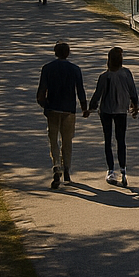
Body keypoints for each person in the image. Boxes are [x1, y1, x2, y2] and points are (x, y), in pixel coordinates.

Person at [36, 41, 87, 189]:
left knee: (53, 140)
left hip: (53, 109)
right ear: (68, 53)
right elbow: (80, 90)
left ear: (55, 52)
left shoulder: (47, 68)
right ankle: (67, 170)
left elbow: (41, 93)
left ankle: (56, 166)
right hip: (69, 110)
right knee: (67, 141)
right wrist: (84, 108)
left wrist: (46, 106)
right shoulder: (75, 69)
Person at [89, 47, 139, 188]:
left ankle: (111, 170)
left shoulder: (104, 77)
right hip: (121, 111)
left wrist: (90, 108)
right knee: (121, 140)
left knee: (108, 140)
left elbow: (97, 95)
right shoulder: (126, 74)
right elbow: (133, 91)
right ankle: (123, 169)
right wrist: (135, 105)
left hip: (106, 111)